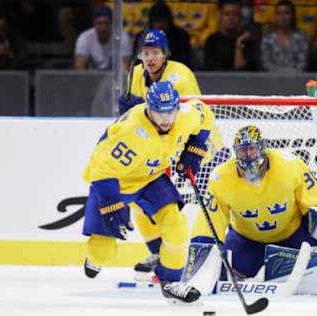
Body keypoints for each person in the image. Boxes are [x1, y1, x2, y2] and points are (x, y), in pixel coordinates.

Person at [182, 125, 317, 296]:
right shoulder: (221, 178)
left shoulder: (289, 166)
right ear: (236, 153)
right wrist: (199, 269)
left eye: (253, 149)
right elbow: (209, 224)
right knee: (223, 275)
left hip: (294, 234)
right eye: (243, 151)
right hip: (247, 240)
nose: (248, 156)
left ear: (262, 148)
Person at [81, 81, 216, 303]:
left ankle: (171, 281)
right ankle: (94, 258)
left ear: (176, 107)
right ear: (148, 108)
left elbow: (205, 114)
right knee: (103, 252)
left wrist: (196, 148)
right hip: (115, 184)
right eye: (158, 113)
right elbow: (101, 167)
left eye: (170, 112)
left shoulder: (184, 116)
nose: (165, 120)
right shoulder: (130, 131)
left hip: (151, 178)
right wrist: (112, 204)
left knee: (177, 226)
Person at [118, 29, 200, 115]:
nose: (150, 58)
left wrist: (145, 107)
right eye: (146, 53)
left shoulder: (181, 73)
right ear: (140, 56)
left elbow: (191, 111)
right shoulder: (135, 72)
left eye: (155, 53)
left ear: (165, 55)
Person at [133, 1, 193, 68]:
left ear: (169, 21)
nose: (161, 25)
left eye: (164, 21)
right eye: (157, 21)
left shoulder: (180, 36)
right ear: (151, 22)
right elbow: (137, 64)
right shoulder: (143, 37)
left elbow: (185, 63)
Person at [203, 0, 259, 71]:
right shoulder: (211, 41)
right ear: (220, 16)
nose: (231, 18)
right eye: (227, 14)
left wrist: (239, 45)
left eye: (235, 14)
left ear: (240, 17)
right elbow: (210, 69)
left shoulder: (246, 41)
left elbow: (245, 70)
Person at [74, 5, 132, 70]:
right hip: (91, 78)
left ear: (112, 24)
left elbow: (125, 69)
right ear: (94, 24)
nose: (103, 28)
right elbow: (79, 68)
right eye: (99, 23)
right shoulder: (84, 38)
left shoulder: (123, 38)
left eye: (106, 23)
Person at [260, 0, 310, 73]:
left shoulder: (303, 38)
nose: (283, 17)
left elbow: (303, 64)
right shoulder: (267, 39)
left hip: (297, 80)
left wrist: (289, 76)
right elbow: (266, 64)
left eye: (286, 13)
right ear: (275, 16)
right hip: (272, 81)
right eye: (279, 13)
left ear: (293, 15)